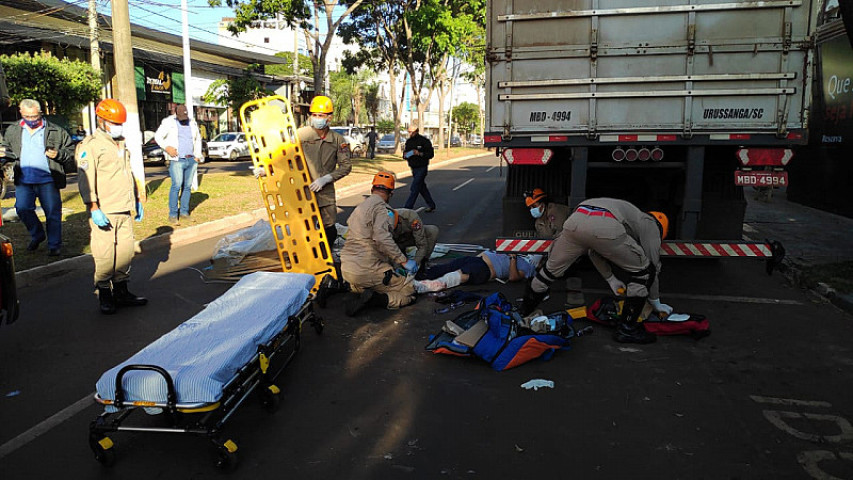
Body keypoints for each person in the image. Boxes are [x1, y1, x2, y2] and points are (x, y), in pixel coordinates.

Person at [520, 198, 672, 344]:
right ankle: (627, 329)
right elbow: (652, 264)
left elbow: (594, 249)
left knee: (547, 273)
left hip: (575, 221)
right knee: (645, 272)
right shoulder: (650, 223)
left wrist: (611, 279)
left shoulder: (626, 211)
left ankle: (522, 314)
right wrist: (655, 302)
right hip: (603, 225)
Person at [76, 99, 147, 315]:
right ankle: (105, 293)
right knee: (106, 254)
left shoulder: (121, 143)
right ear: (102, 121)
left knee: (125, 252)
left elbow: (128, 172)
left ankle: (122, 291)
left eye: (120, 123)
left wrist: (136, 197)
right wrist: (93, 207)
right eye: (114, 122)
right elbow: (86, 178)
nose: (119, 126)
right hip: (105, 209)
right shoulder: (91, 145)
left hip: (124, 207)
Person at [0, 99, 75, 256]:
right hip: (24, 180)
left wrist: (58, 154)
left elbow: (71, 152)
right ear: (21, 113)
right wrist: (3, 156)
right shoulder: (13, 130)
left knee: (53, 213)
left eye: (35, 116)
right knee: (22, 208)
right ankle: (37, 234)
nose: (32, 119)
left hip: (48, 179)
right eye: (28, 116)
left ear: (40, 113)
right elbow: (6, 150)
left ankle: (54, 245)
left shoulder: (56, 130)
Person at [339, 171, 417, 316]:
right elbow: (382, 239)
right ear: (391, 193)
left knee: (371, 281)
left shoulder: (359, 208)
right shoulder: (382, 210)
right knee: (409, 291)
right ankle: (376, 300)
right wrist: (404, 261)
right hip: (367, 269)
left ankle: (348, 288)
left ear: (372, 189)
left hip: (347, 269)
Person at [297, 95, 352, 246]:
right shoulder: (301, 135)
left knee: (329, 230)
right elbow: (283, 156)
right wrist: (267, 169)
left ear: (329, 118)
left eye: (320, 115)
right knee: (304, 230)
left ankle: (324, 260)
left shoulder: (337, 140)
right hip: (303, 191)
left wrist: (326, 179)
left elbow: (346, 166)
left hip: (325, 193)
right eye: (313, 115)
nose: (316, 119)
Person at [154, 104, 203, 225]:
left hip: (191, 159)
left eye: (185, 117)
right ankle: (173, 215)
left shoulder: (192, 123)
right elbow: (158, 136)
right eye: (181, 117)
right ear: (176, 114)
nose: (183, 119)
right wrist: (167, 147)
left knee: (187, 187)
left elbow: (197, 139)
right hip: (177, 160)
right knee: (176, 186)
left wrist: (197, 156)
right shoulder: (168, 122)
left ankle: (184, 213)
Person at [415, 251, 542, 293]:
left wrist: (513, 256)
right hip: (478, 260)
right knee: (447, 267)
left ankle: (423, 287)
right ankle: (414, 277)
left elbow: (513, 277)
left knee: (461, 275)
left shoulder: (528, 268)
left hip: (485, 269)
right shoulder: (521, 254)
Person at [389, 207, 439, 275]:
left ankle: (424, 262)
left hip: (409, 238)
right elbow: (387, 247)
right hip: (395, 245)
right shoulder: (379, 224)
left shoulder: (410, 216)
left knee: (433, 231)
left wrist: (416, 262)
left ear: (399, 220)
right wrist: (397, 266)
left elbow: (421, 244)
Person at [402, 120, 436, 212]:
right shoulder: (409, 142)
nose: (410, 133)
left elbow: (430, 154)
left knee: (415, 187)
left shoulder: (424, 141)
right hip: (413, 167)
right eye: (408, 131)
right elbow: (405, 154)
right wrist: (406, 155)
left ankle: (407, 208)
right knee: (421, 187)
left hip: (422, 167)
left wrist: (419, 153)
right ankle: (431, 204)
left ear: (416, 131)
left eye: (411, 132)